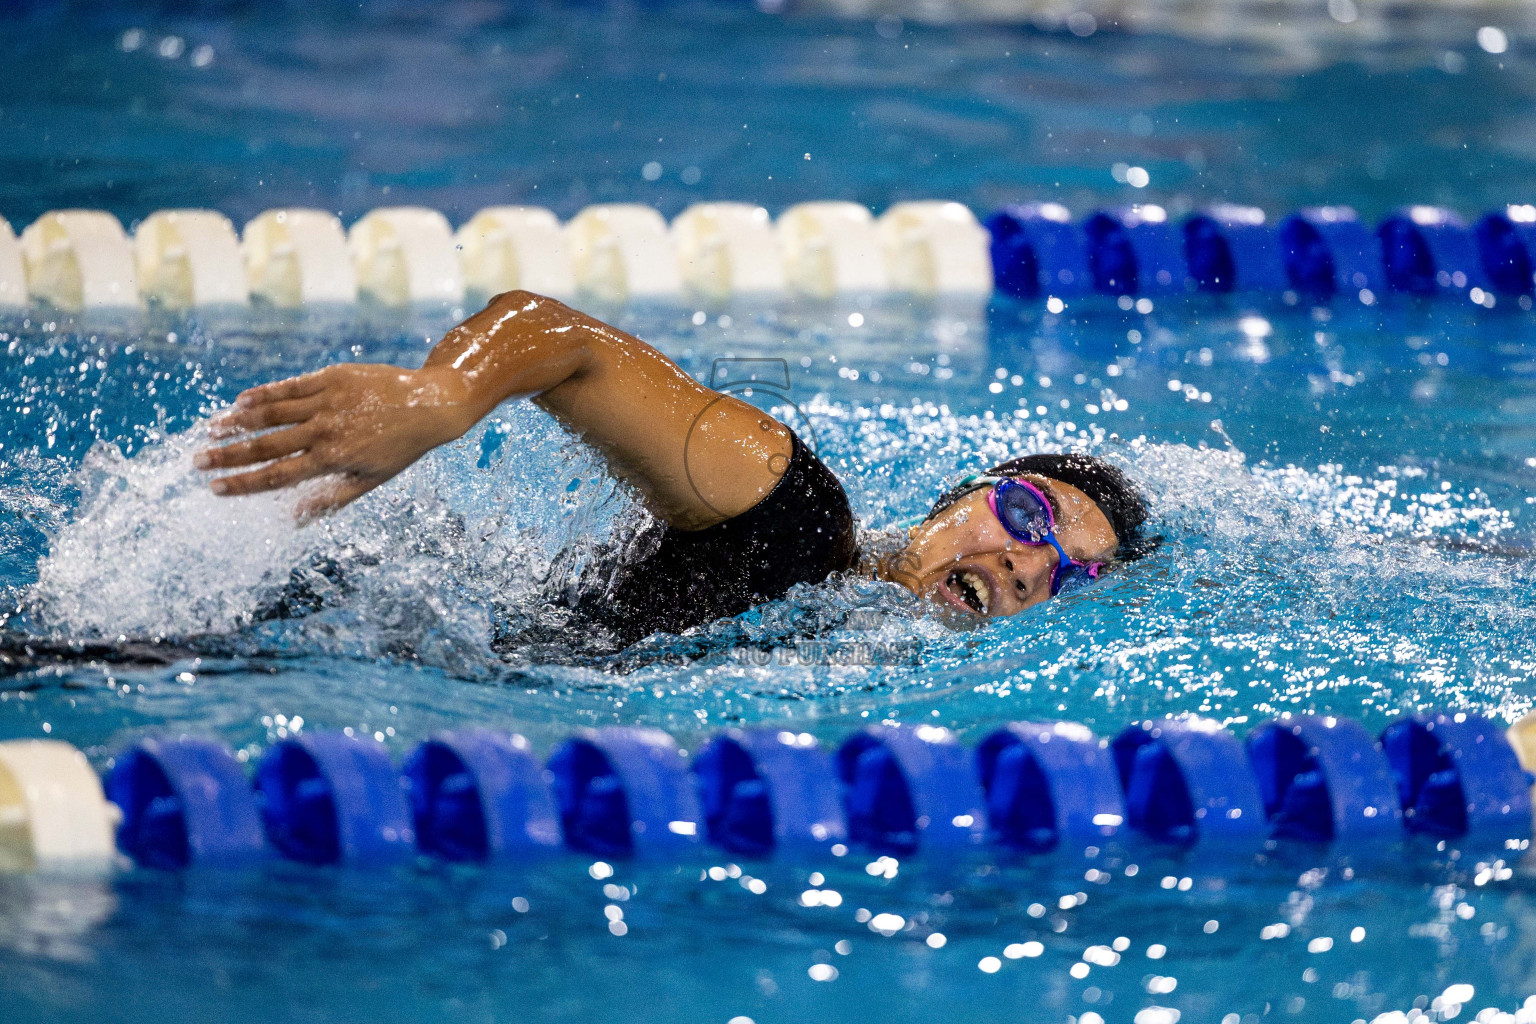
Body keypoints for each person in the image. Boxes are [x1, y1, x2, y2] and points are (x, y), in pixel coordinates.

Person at [197, 290, 1151, 649]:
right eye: (1031, 516)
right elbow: (556, 338)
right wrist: (438, 400)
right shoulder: (792, 517)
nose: (1032, 564)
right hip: (331, 639)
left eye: (1070, 573)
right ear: (958, 498)